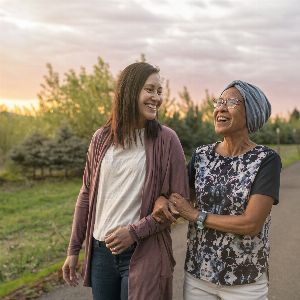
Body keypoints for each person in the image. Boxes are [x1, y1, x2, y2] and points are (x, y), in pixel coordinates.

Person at [62, 62, 189, 300]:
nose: (157, 98)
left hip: (143, 251)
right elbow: (86, 194)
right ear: (129, 91)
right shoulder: (101, 138)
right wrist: (73, 250)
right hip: (101, 253)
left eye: (159, 91)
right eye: (150, 90)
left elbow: (178, 203)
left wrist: (134, 232)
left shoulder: (167, 140)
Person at [153, 80, 281, 300]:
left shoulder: (266, 160)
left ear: (250, 112)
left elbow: (251, 224)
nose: (220, 108)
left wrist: (195, 215)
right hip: (198, 278)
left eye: (231, 102)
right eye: (219, 101)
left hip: (246, 282)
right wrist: (162, 201)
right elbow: (179, 199)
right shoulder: (202, 156)